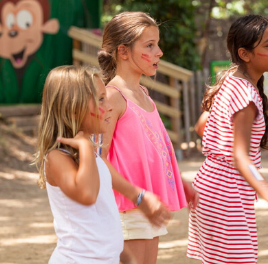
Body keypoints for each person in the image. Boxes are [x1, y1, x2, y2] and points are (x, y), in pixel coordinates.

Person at [187, 15, 268, 263]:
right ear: (244, 54)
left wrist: (223, 145)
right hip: (226, 194)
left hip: (209, 185)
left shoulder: (230, 81)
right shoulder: (246, 96)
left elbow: (201, 126)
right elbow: (240, 158)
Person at [34, 65, 169, 263]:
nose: (109, 106)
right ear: (74, 108)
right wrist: (85, 147)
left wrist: (139, 198)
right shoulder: (57, 157)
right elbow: (87, 195)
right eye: (100, 99)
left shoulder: (91, 156)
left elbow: (102, 215)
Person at [97, 12, 197, 264]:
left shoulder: (143, 94)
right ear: (123, 51)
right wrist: (138, 196)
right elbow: (98, 159)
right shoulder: (112, 97)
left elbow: (150, 150)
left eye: (157, 44)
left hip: (146, 207)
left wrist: (177, 180)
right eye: (149, 45)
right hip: (127, 208)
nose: (159, 52)